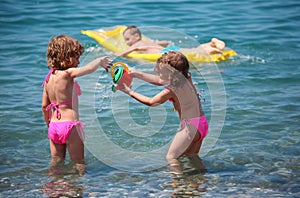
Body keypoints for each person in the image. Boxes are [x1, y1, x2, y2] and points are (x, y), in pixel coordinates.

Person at [121, 51, 209, 174]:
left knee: (171, 157)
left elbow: (151, 102)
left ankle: (177, 184)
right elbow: (160, 81)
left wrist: (129, 92)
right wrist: (137, 74)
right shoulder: (186, 77)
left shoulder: (171, 89)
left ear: (171, 75)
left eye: (161, 72)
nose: (157, 72)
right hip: (202, 123)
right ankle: (199, 180)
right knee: (191, 156)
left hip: (190, 127)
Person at [41, 34, 112, 175]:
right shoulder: (68, 73)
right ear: (66, 57)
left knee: (56, 161)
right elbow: (88, 69)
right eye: (76, 57)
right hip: (70, 127)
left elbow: (44, 106)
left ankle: (54, 185)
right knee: (79, 162)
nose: (79, 61)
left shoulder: (48, 78)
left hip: (54, 126)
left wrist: (49, 124)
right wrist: (98, 61)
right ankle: (79, 187)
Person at [116, 25, 226, 57]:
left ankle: (210, 50)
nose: (127, 42)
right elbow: (165, 42)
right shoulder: (148, 42)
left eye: (127, 39)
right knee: (191, 50)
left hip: (164, 53)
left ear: (136, 36)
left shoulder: (138, 44)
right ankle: (211, 44)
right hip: (168, 49)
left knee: (192, 53)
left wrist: (120, 54)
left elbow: (135, 48)